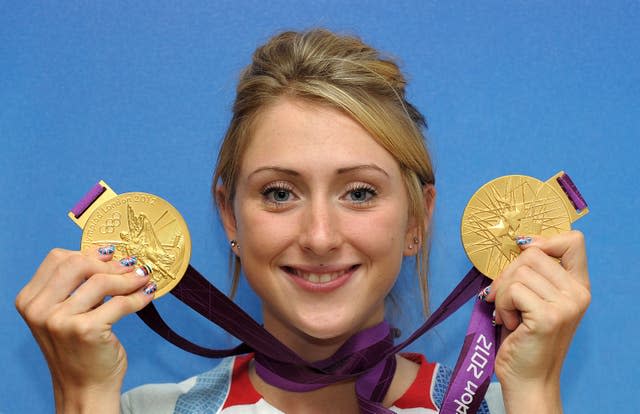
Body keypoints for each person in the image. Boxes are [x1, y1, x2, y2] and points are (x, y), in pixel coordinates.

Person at [15, 29, 591, 413]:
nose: (319, 236)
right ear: (229, 218)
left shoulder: (500, 406)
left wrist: (536, 389)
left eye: (360, 192)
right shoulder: (142, 410)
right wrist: (83, 394)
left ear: (418, 219)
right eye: (280, 193)